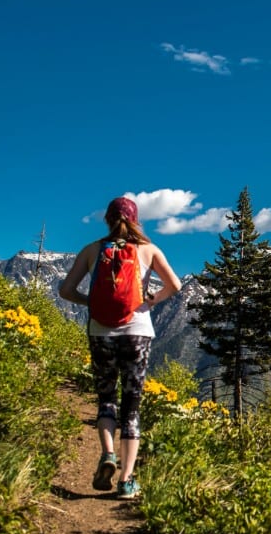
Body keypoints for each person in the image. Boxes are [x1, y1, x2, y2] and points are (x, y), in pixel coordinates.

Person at [59, 196, 182, 499]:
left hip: (101, 332)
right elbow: (176, 285)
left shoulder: (91, 251)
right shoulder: (148, 250)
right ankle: (127, 480)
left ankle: (108, 454)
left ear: (107, 219)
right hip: (137, 333)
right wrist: (152, 300)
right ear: (136, 219)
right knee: (132, 406)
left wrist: (91, 302)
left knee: (106, 398)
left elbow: (65, 290)